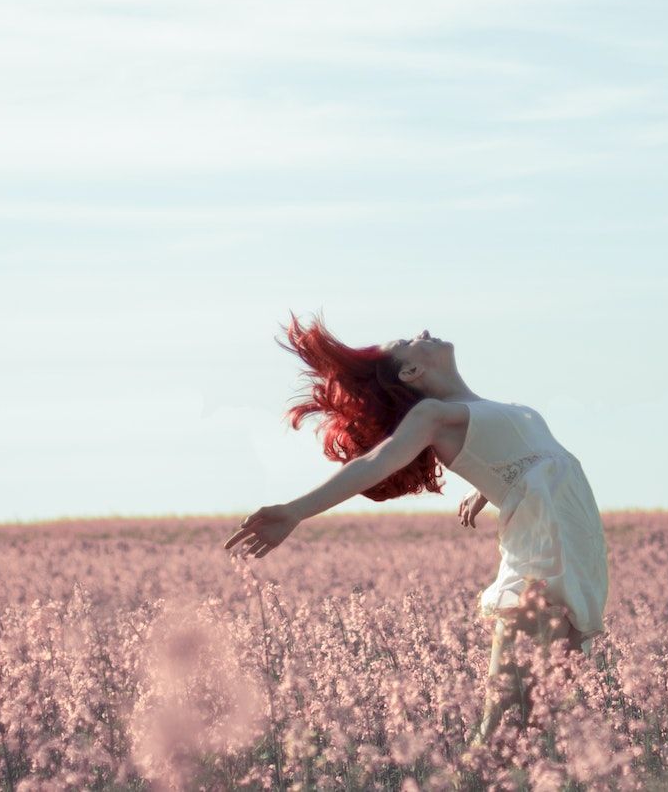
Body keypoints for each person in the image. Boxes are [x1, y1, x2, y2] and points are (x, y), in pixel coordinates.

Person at [222, 311, 610, 743]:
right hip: (544, 555)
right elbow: (376, 461)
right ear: (411, 371)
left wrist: (489, 489)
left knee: (543, 725)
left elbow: (532, 464)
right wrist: (297, 510)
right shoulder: (433, 414)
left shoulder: (493, 409)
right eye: (408, 340)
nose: (422, 331)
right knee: (504, 727)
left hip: (579, 553)